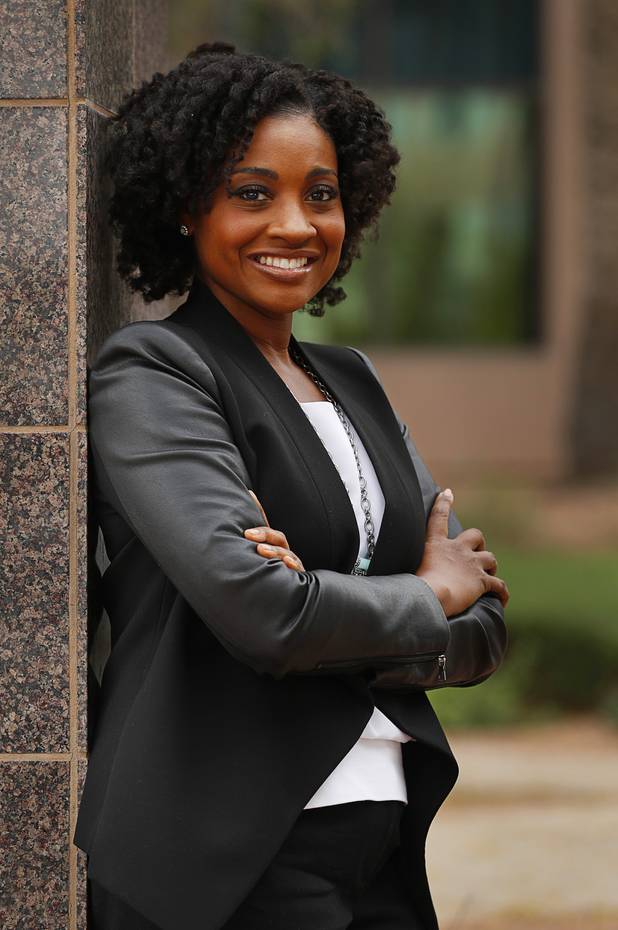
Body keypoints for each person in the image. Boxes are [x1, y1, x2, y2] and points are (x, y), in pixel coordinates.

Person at [74, 40, 509, 930]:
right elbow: (263, 615)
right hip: (224, 859)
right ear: (187, 209)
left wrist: (324, 609)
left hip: (381, 841)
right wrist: (425, 591)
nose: (296, 224)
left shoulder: (352, 379)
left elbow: (488, 628)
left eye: (321, 193)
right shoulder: (157, 372)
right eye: (251, 192)